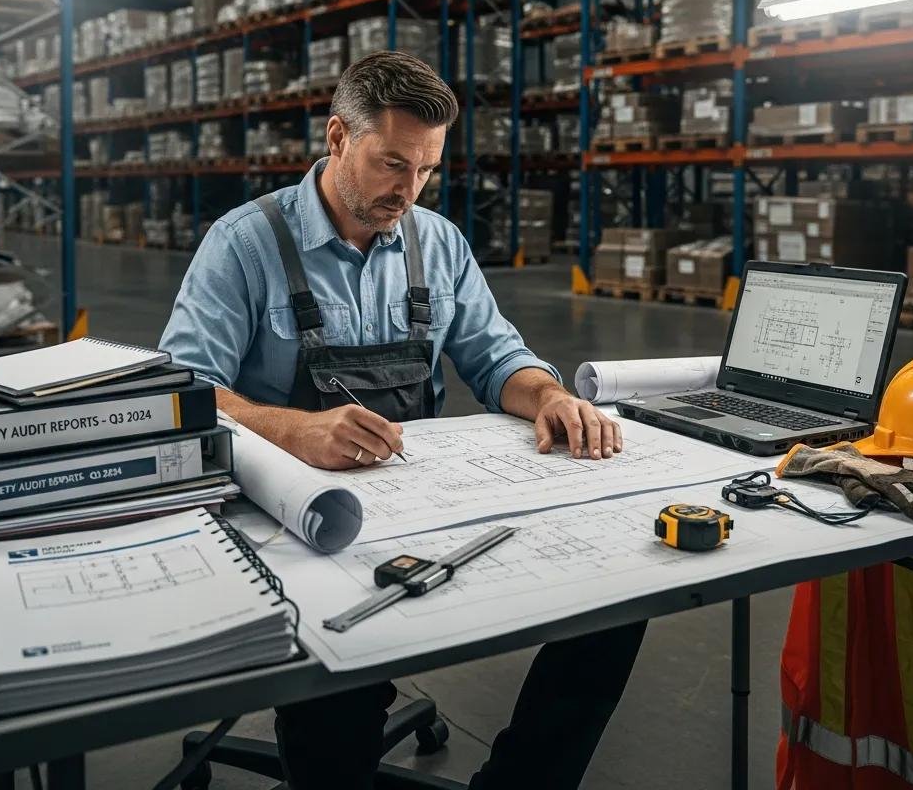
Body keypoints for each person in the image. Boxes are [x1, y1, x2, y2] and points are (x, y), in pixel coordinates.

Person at [161, 50, 646, 789]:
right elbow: (185, 388)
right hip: (295, 518)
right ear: (335, 139)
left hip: (421, 502)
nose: (408, 190)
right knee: (338, 691)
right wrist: (295, 430)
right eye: (392, 164)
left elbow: (495, 357)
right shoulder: (245, 243)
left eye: (425, 170)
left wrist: (546, 395)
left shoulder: (438, 242)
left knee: (613, 609)